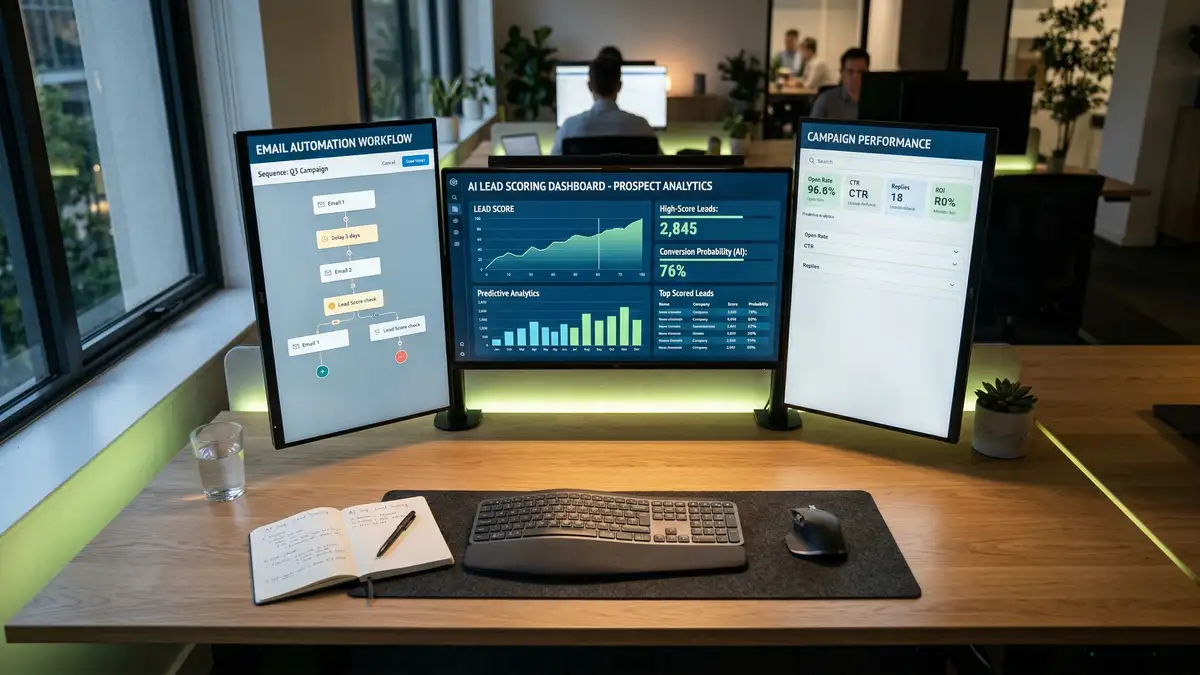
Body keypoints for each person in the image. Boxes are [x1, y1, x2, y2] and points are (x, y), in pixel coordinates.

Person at [551, 56, 656, 155]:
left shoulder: (569, 128)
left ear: (589, 86)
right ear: (619, 86)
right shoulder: (642, 127)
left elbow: (551, 168)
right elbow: (663, 167)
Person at [810, 47, 870, 120]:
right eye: (850, 71)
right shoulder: (826, 100)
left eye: (861, 72)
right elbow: (811, 129)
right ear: (842, 73)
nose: (856, 77)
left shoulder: (878, 102)